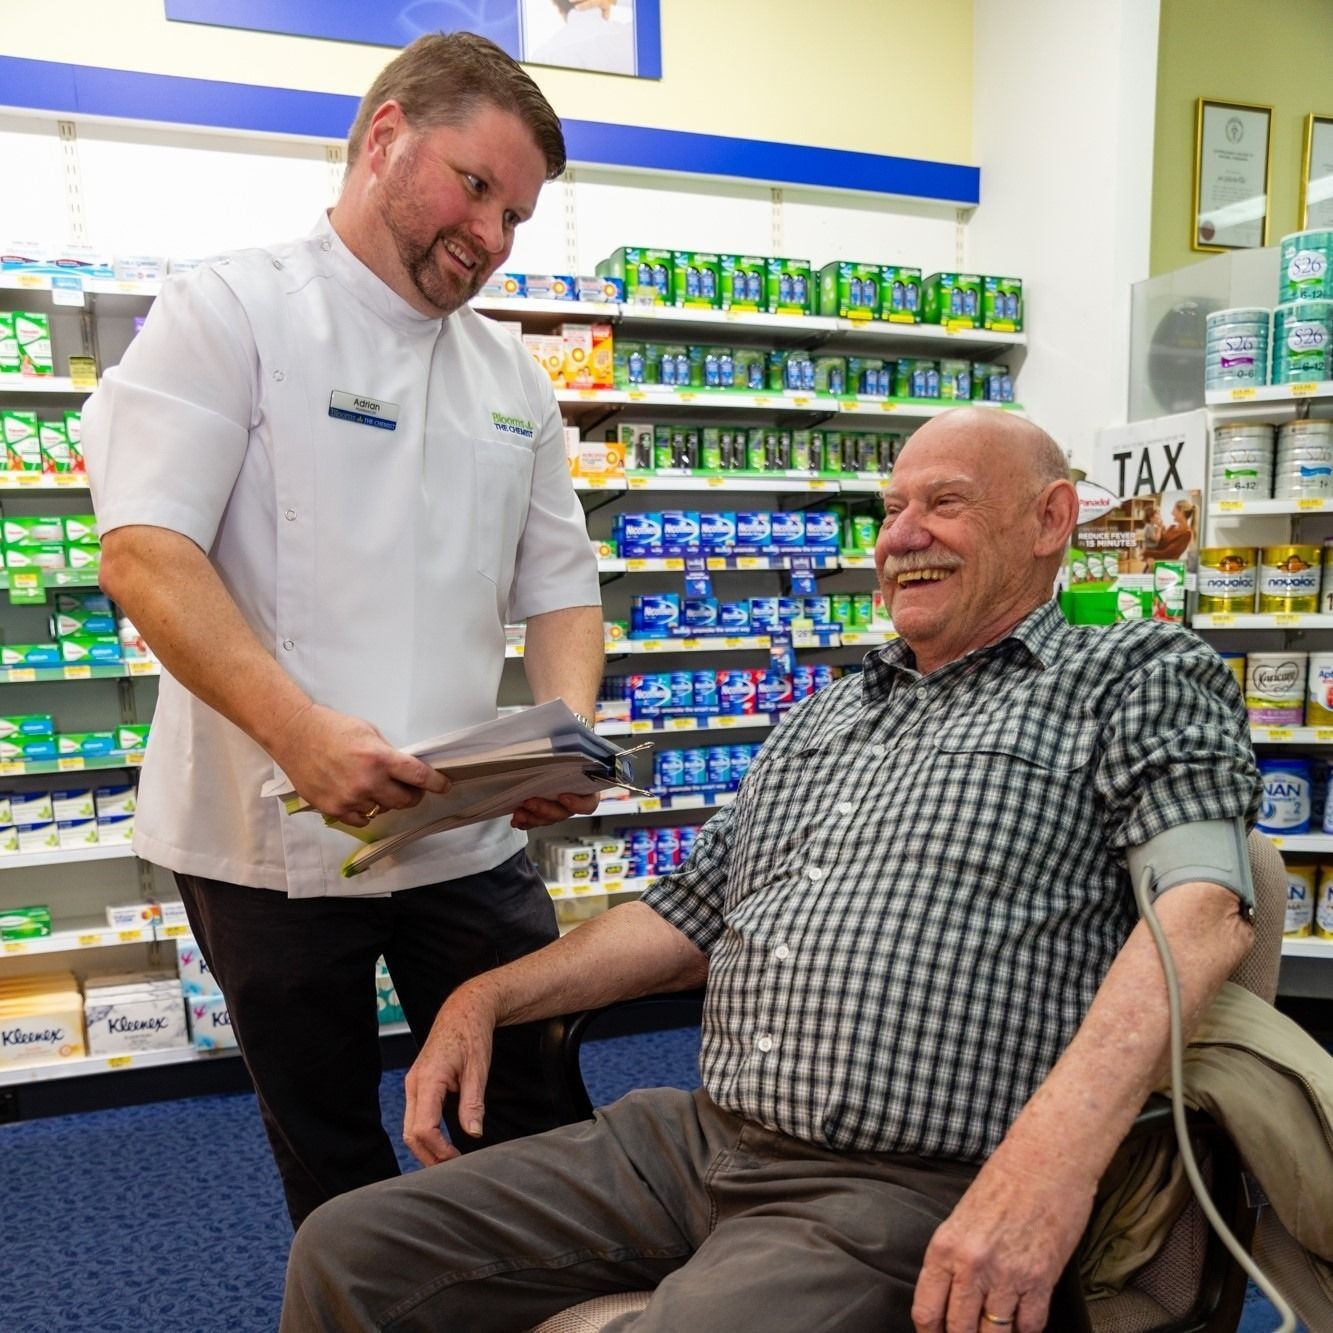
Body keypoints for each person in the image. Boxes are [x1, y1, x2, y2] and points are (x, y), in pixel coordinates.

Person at [281, 407, 1260, 1333]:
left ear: (1049, 520)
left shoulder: (1132, 673)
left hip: (904, 1176)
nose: (899, 537)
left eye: (944, 504)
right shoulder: (827, 710)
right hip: (699, 1138)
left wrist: (1047, 1165)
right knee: (348, 1246)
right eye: (892, 511)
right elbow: (682, 917)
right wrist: (487, 997)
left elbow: (1203, 909)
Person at [81, 32, 606, 1228]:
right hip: (263, 836)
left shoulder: (512, 379)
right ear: (385, 139)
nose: (491, 236)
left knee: (530, 1102)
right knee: (325, 1135)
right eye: (474, 187)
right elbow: (146, 553)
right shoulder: (233, 308)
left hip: (466, 830)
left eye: (517, 215)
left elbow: (562, 586)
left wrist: (562, 727)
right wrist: (301, 732)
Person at [1142, 497, 1196, 561]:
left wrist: (1146, 553)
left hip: (1165, 567)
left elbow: (1168, 554)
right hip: (1154, 563)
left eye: (1174, 510)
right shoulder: (1171, 527)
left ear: (1181, 511)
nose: (1171, 513)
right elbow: (1160, 545)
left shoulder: (1186, 534)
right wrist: (1160, 528)